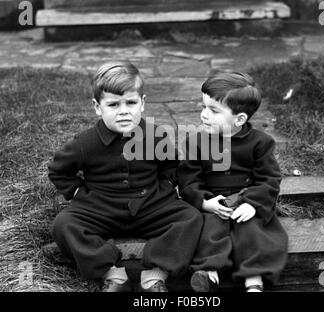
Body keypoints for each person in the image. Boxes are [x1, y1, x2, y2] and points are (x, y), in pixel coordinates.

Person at [48, 61, 202, 292]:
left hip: (150, 205)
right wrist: (78, 192)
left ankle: (155, 275)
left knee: (190, 217)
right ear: (97, 107)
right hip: (101, 208)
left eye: (131, 103)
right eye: (113, 104)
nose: (123, 111)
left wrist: (166, 186)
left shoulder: (155, 135)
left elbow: (171, 164)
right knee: (64, 224)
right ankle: (112, 274)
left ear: (142, 103)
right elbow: (58, 169)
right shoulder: (84, 143)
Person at [178, 71, 288, 292]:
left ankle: (253, 281)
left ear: (239, 119)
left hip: (244, 199)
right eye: (203, 107)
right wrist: (204, 202)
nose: (204, 115)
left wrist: (253, 203)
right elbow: (188, 178)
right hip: (213, 201)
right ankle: (208, 274)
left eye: (214, 110)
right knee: (208, 229)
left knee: (252, 232)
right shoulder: (197, 142)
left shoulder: (260, 143)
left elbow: (269, 178)